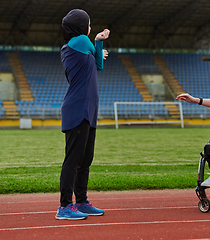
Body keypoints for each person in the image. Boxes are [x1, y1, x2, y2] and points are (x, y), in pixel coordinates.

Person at [55, 9, 110, 220]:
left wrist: (97, 45)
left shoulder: (80, 45)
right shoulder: (78, 41)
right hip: (78, 108)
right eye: (88, 24)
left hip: (88, 109)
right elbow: (99, 60)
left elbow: (98, 64)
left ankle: (81, 201)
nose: (90, 27)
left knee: (86, 159)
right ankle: (65, 206)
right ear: (80, 27)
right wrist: (97, 42)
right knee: (73, 159)